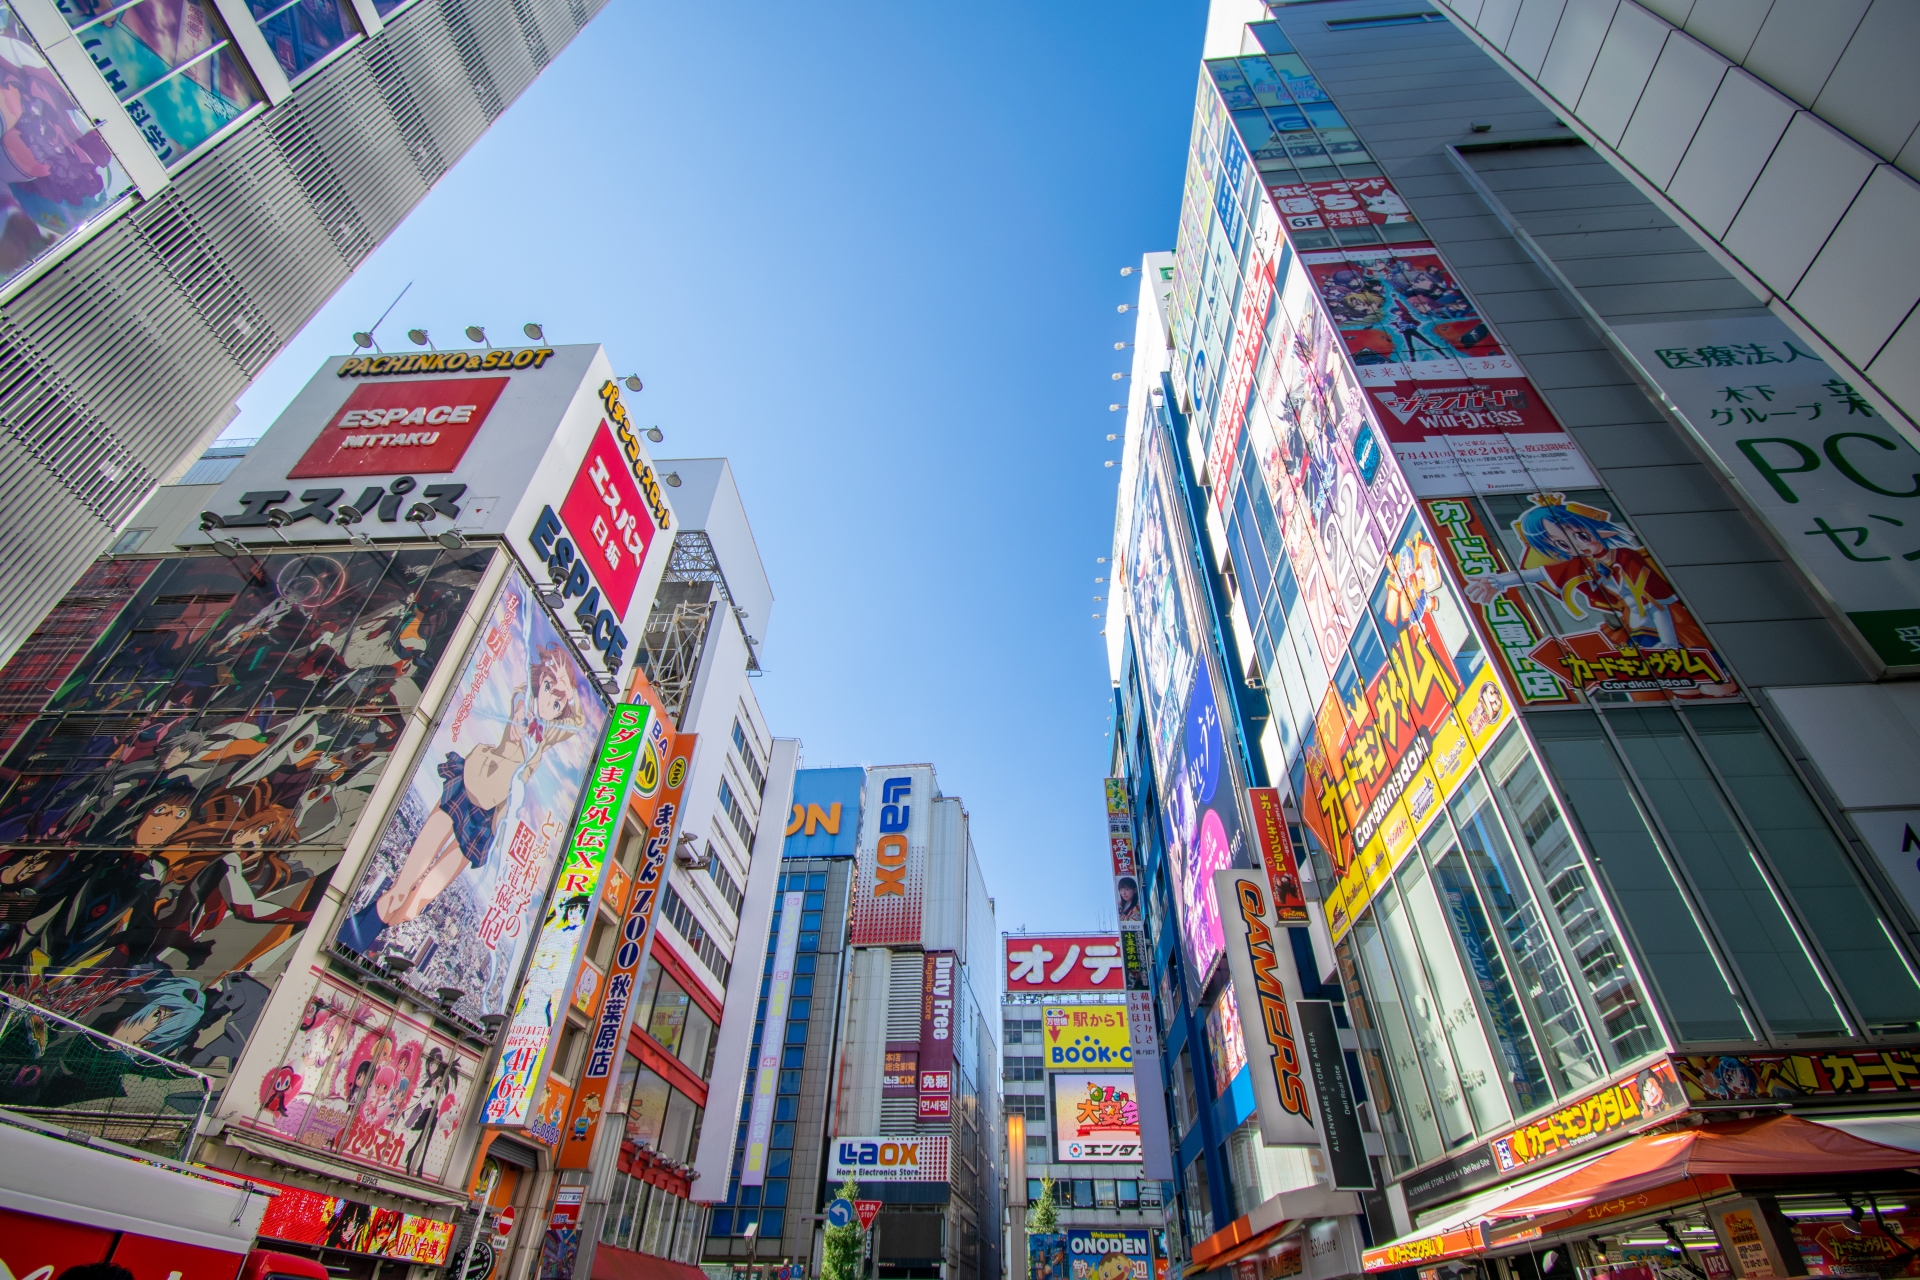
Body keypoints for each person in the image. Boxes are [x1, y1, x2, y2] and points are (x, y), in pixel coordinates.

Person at [337, 642, 583, 952]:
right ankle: (346, 944)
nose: (550, 700)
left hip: (485, 821)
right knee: (402, 888)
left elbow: (578, 722)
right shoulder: (522, 701)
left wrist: (568, 690)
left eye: (558, 701)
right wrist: (539, 697)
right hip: (466, 790)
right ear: (539, 681)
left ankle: (351, 938)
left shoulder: (548, 734)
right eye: (548, 686)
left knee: (418, 903)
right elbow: (521, 704)